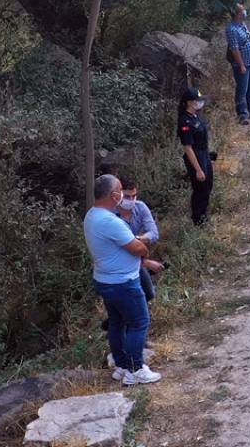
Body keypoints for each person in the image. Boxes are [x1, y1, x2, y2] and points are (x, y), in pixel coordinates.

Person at [85, 174, 161, 385]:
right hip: (123, 282)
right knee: (139, 321)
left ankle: (121, 366)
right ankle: (136, 368)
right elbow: (138, 247)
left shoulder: (92, 215)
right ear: (114, 194)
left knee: (117, 323)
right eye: (120, 190)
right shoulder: (110, 221)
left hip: (105, 279)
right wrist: (143, 248)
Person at [116, 175, 165, 303]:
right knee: (123, 298)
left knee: (148, 293)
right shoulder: (110, 214)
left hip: (137, 257)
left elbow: (154, 233)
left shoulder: (140, 207)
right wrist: (146, 262)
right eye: (127, 197)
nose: (131, 200)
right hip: (117, 263)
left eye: (134, 195)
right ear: (118, 195)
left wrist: (135, 240)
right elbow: (117, 248)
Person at [178, 87, 215, 225]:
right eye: (198, 101)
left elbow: (203, 136)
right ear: (190, 102)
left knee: (208, 185)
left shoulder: (197, 115)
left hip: (203, 153)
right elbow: (188, 148)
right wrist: (198, 169)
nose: (200, 103)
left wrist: (208, 152)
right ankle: (198, 220)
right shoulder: (185, 122)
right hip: (196, 157)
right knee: (200, 188)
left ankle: (204, 213)